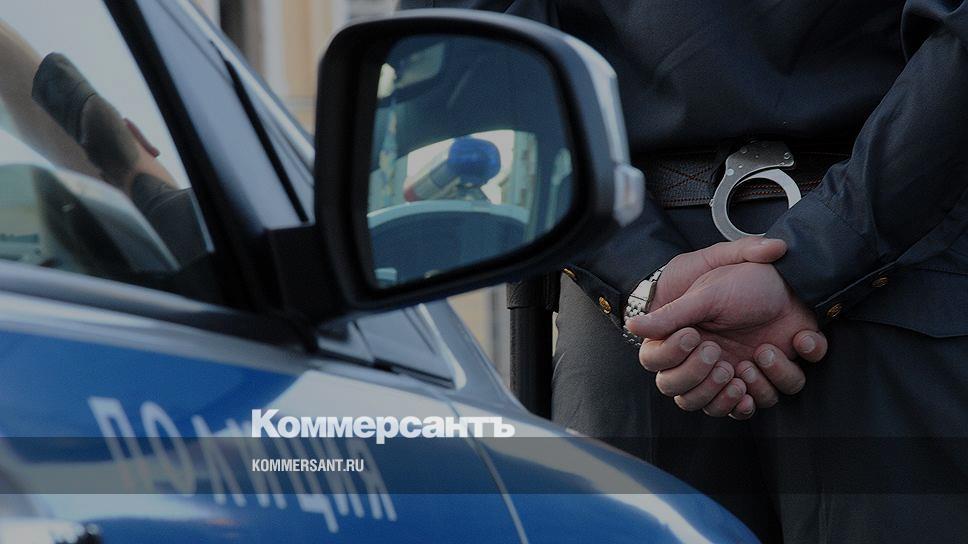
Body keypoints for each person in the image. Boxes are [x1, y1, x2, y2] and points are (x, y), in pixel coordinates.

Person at [405, 1, 968, 542]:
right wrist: (820, 252)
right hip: (897, 288)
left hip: (640, 324)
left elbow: (476, 56)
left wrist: (640, 275)